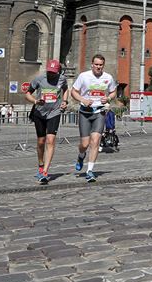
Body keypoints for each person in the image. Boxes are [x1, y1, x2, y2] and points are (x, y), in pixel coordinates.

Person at [70, 54, 116, 183]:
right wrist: (83, 99)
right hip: (85, 112)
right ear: (92, 64)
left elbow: (113, 91)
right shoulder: (84, 76)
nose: (98, 67)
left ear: (103, 66)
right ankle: (81, 155)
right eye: (96, 64)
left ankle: (90, 171)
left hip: (99, 112)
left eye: (100, 65)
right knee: (85, 144)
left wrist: (108, 98)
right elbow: (74, 91)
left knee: (95, 141)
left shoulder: (108, 77)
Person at [25, 59, 69, 184]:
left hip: (54, 113)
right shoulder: (39, 79)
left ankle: (45, 171)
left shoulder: (62, 79)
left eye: (53, 73)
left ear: (57, 72)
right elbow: (27, 93)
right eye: (49, 72)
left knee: (50, 140)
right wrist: (35, 101)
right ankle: (40, 163)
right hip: (39, 113)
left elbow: (65, 89)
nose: (51, 75)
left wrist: (65, 102)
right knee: (41, 141)